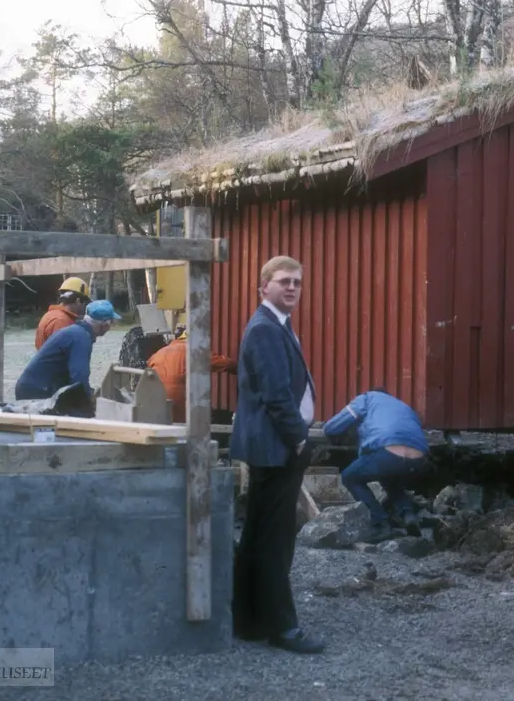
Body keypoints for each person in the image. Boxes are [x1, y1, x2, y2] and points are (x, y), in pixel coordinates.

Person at [230, 255, 324, 655]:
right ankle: (282, 628)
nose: (292, 288)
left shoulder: (275, 325)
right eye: (283, 281)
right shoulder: (266, 329)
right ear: (263, 287)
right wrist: (299, 439)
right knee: (275, 539)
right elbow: (275, 395)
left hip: (272, 447)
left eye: (298, 282)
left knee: (257, 535)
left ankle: (248, 620)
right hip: (277, 448)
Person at [323, 387, 429, 542]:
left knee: (350, 477)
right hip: (419, 457)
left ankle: (380, 523)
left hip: (388, 452)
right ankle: (408, 514)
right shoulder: (403, 406)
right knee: (389, 477)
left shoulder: (367, 398)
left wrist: (326, 428)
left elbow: (333, 427)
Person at [15, 299, 121, 403]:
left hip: (31, 387)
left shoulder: (75, 331)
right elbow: (79, 377)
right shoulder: (81, 338)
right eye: (111, 323)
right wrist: (89, 402)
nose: (110, 328)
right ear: (104, 325)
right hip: (36, 392)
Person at [146, 327, 238, 423]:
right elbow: (223, 363)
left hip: (154, 397)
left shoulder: (159, 353)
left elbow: (148, 368)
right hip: (178, 399)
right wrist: (239, 368)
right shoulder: (193, 352)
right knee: (183, 429)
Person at [35, 277, 90, 350]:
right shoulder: (61, 321)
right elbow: (62, 352)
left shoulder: (50, 315)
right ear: (78, 301)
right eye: (85, 303)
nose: (84, 307)